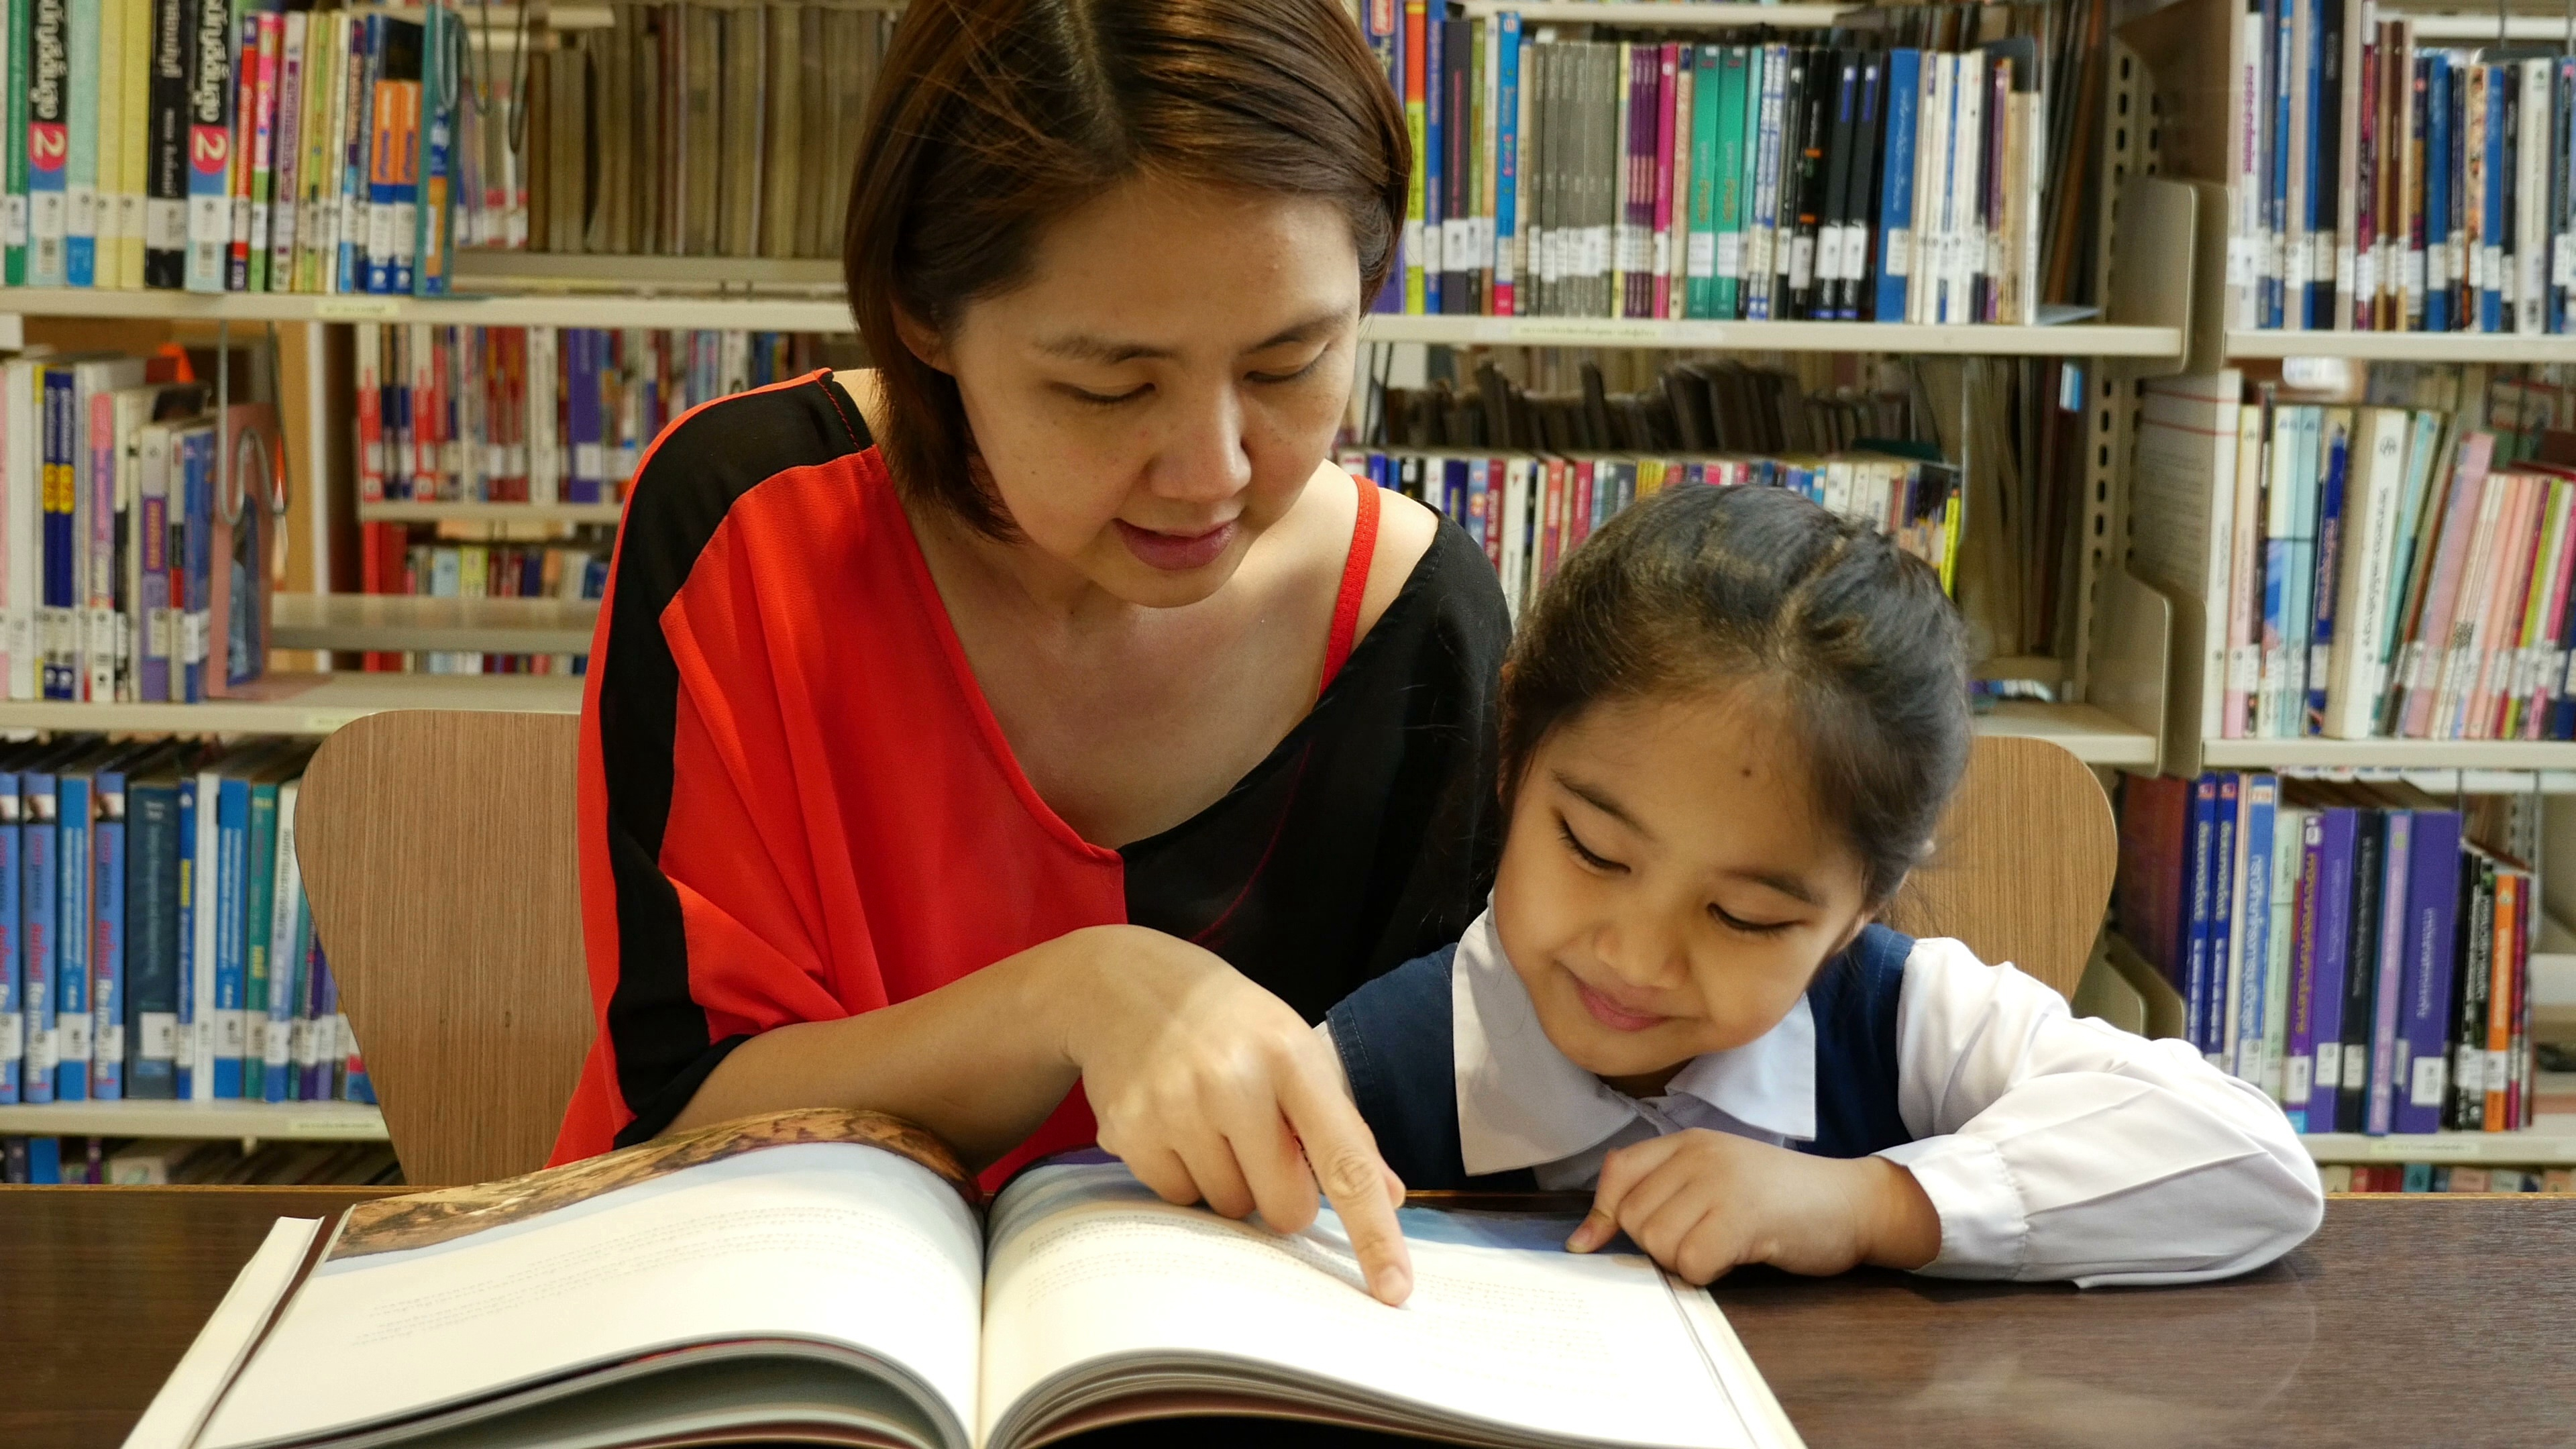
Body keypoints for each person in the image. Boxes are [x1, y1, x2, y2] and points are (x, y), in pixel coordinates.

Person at [552, 0, 1507, 1305]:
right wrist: (1077, 998)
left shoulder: (1421, 626)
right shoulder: (745, 526)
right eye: (1110, 389)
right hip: (760, 1323)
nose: (1211, 472)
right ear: (925, 316)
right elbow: (680, 1113)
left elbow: (1447, 1168)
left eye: (1292, 364)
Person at [1323, 484, 2326, 1287]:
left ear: (1864, 906)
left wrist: (1872, 1207)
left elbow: (2252, 1163)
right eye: (1592, 850)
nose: (1634, 957)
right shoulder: (1381, 1064)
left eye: (1744, 916)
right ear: (1513, 759)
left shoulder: (1900, 1014)